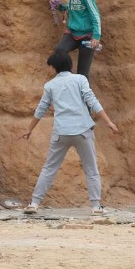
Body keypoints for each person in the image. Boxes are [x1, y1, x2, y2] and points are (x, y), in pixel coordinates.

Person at [20, 50, 118, 215]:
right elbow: (92, 101)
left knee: (49, 168)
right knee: (91, 169)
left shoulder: (50, 85)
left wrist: (29, 129)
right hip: (82, 131)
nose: (49, 70)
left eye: (50, 66)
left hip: (61, 132)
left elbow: (40, 109)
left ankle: (34, 204)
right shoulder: (80, 79)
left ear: (56, 66)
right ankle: (96, 207)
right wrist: (108, 122)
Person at [52, 0, 102, 78]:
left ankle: (85, 95)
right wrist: (60, 6)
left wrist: (96, 36)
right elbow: (72, 7)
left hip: (87, 35)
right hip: (72, 32)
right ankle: (67, 78)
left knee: (82, 75)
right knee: (60, 51)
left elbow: (94, 13)